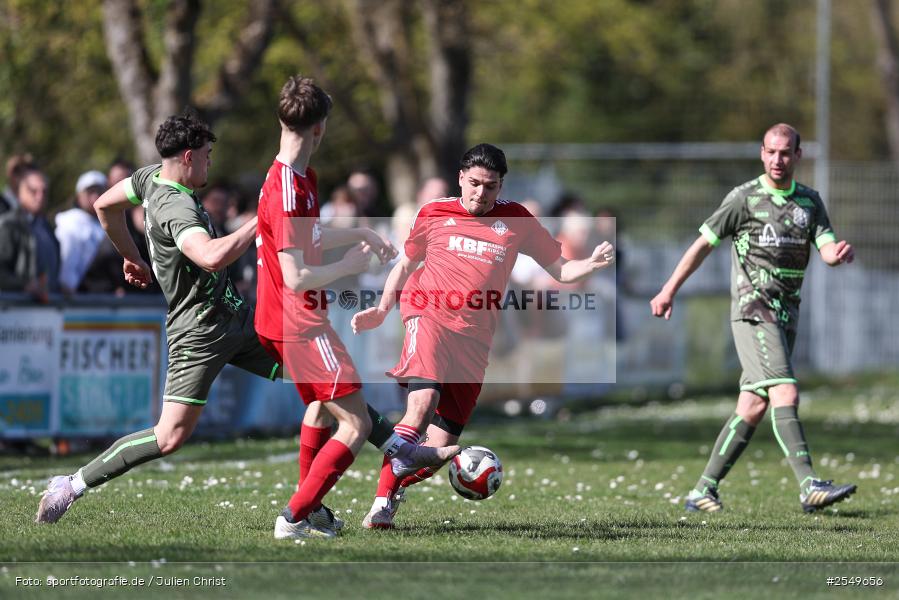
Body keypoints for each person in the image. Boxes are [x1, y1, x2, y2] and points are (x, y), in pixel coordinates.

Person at [351, 143, 616, 528]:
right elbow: (405, 264)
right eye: (474, 183)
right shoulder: (433, 211)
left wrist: (589, 265)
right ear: (461, 178)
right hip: (427, 315)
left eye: (490, 187)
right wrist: (381, 309)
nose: (480, 193)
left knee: (439, 448)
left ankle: (395, 484)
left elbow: (560, 270)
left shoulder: (517, 220)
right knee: (421, 406)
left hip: (474, 338)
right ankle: (380, 505)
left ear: (500, 185)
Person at [35, 112, 274, 524]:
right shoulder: (175, 204)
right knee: (170, 437)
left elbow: (104, 204)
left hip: (233, 319)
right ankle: (70, 485)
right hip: (198, 332)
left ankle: (388, 458)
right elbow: (211, 256)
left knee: (318, 380)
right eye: (206, 155)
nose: (209, 163)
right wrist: (263, 221)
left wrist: (132, 256)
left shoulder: (151, 177)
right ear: (187, 155)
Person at [254, 75, 460, 540]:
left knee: (322, 411)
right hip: (297, 320)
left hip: (288, 317)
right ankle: (294, 517)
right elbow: (296, 275)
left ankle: (313, 507)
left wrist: (360, 234)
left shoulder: (299, 178)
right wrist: (349, 262)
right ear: (321, 127)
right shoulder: (288, 186)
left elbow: (308, 237)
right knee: (357, 422)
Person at [650, 123, 857, 514]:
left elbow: (826, 247)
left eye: (785, 153)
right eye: (770, 152)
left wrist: (837, 254)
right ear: (762, 154)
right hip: (753, 309)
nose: (777, 159)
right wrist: (669, 289)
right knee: (786, 392)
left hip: (786, 314)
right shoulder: (743, 199)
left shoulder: (809, 203)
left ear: (798, 156)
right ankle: (808, 484)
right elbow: (702, 245)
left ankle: (702, 490)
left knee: (753, 405)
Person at [0, 165, 60, 300]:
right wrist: (25, 285)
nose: (40, 196)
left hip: (47, 312)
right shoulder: (9, 225)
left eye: (44, 191)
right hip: (14, 312)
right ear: (20, 192)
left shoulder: (47, 227)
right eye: (33, 191)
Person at [55, 170, 109, 293]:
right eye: (90, 191)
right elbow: (66, 265)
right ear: (79, 196)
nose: (95, 195)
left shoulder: (104, 224)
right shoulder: (70, 223)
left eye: (99, 191)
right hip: (78, 299)